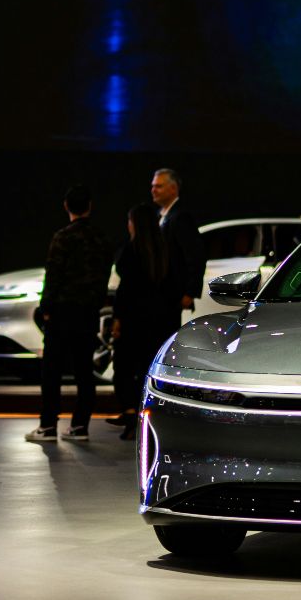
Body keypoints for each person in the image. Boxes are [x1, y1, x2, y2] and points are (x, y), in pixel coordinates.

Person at [28, 185, 114, 443]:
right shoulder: (101, 238)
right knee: (84, 372)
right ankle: (79, 427)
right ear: (90, 206)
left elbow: (53, 276)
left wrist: (46, 309)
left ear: (66, 206)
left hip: (61, 313)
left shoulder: (62, 237)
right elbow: (104, 277)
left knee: (52, 371)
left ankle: (48, 426)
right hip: (87, 313)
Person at [111, 201, 186, 440]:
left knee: (124, 368)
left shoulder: (130, 251)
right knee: (149, 369)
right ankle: (150, 418)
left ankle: (130, 413)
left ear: (134, 224)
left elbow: (124, 290)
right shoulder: (167, 251)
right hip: (160, 321)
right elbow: (175, 286)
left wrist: (117, 318)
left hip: (134, 320)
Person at [150, 168, 206, 317]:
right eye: (153, 186)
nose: (153, 190)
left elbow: (195, 255)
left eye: (158, 186)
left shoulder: (181, 217)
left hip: (173, 294)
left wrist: (190, 292)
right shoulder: (159, 216)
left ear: (173, 188)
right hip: (161, 294)